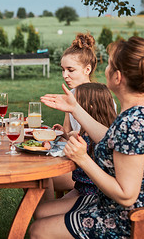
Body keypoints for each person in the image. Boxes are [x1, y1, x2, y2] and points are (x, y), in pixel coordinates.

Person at [31, 36, 144, 238]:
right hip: (123, 205)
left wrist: (83, 159)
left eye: (109, 66)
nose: (104, 70)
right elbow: (113, 138)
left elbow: (126, 195)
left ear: (118, 77)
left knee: (39, 230)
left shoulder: (132, 122)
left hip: (135, 219)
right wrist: (75, 109)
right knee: (42, 213)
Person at [48, 33, 98, 198]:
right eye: (63, 70)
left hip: (89, 172)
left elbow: (95, 144)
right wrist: (61, 133)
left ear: (87, 69)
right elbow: (68, 133)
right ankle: (47, 216)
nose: (64, 75)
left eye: (70, 70)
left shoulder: (99, 99)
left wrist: (69, 137)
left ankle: (45, 217)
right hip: (74, 162)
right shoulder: (72, 94)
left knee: (41, 179)